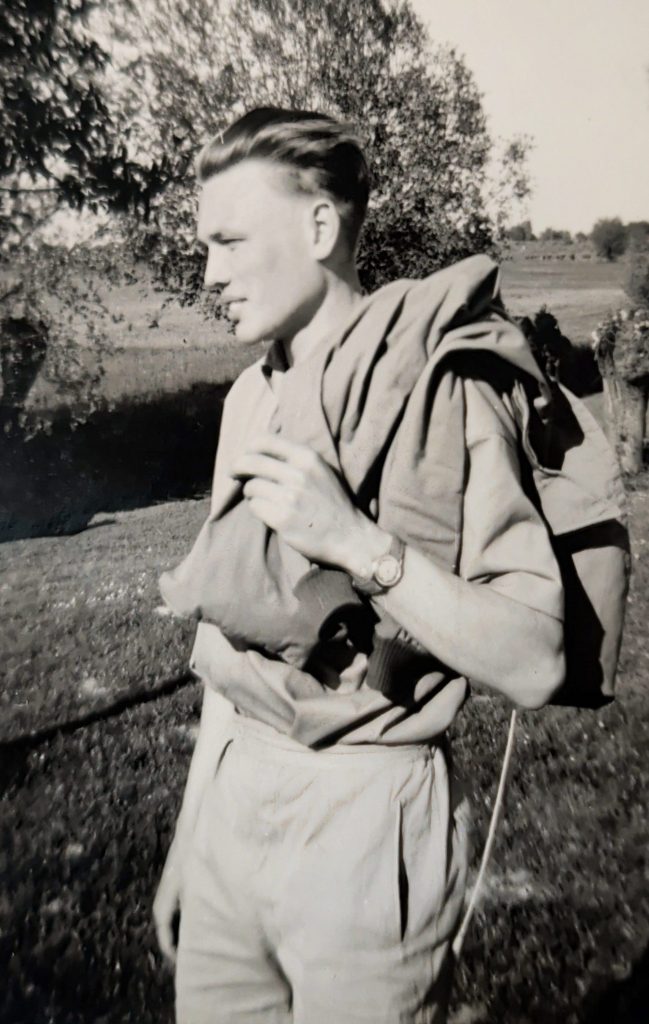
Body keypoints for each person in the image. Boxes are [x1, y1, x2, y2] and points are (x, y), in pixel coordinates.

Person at [153, 107, 565, 1024]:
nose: (209, 273)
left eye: (228, 241)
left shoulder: (447, 387)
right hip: (233, 802)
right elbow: (230, 646)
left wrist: (355, 544)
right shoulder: (247, 400)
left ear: (319, 227)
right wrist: (192, 839)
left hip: (368, 820)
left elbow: (535, 663)